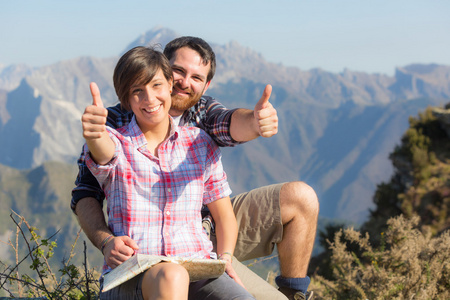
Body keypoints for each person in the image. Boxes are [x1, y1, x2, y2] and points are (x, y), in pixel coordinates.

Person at [72, 36, 318, 300]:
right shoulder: (114, 127)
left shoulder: (200, 124)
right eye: (179, 71)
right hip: (143, 261)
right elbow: (95, 172)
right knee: (172, 276)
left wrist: (256, 124)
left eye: (196, 77)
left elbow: (229, 123)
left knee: (300, 199)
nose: (185, 82)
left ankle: (293, 295)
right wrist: (107, 241)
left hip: (201, 242)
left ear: (205, 84)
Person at [82, 46, 255, 299]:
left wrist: (225, 258)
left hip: (198, 269)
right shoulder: (117, 142)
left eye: (156, 86)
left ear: (170, 86)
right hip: (133, 274)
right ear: (127, 100)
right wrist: (94, 135)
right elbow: (103, 152)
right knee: (172, 276)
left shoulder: (200, 143)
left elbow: (224, 215)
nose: (150, 99)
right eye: (137, 91)